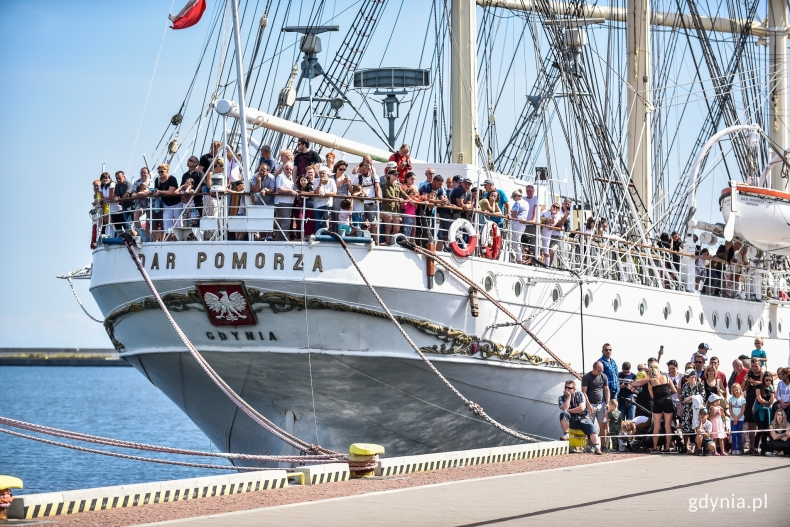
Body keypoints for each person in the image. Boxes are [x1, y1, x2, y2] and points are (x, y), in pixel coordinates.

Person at [558, 379, 603, 455]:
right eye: (565, 387)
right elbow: (564, 408)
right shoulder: (561, 398)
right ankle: (566, 434)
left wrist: (569, 410)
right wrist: (568, 397)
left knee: (592, 427)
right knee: (563, 414)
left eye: (569, 388)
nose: (567, 389)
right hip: (571, 420)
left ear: (574, 389)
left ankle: (597, 448)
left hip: (582, 418)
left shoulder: (580, 394)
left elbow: (581, 408)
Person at [647, 364, 677, 452]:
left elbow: (652, 396)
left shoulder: (651, 381)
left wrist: (659, 396)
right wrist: (667, 394)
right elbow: (674, 390)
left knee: (656, 426)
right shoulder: (666, 377)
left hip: (657, 401)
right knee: (668, 425)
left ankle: (655, 447)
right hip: (668, 400)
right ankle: (667, 447)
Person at [581, 361, 610, 449]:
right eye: (599, 370)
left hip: (601, 403)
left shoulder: (603, 376)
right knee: (590, 426)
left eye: (602, 370)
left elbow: (606, 389)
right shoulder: (586, 377)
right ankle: (592, 445)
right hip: (591, 404)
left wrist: (607, 402)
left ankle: (603, 445)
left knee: (603, 424)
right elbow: (584, 392)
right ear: (594, 369)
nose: (600, 372)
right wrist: (588, 404)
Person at [151, 164, 180, 241]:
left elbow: (171, 191)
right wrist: (156, 192)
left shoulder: (172, 179)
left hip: (177, 203)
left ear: (167, 171)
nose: (160, 173)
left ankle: (178, 239)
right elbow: (156, 190)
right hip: (166, 204)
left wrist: (160, 192)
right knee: (166, 223)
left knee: (178, 223)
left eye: (162, 171)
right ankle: (169, 240)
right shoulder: (157, 180)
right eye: (159, 172)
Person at [355, 162, 381, 241]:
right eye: (361, 170)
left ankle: (376, 240)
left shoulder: (374, 177)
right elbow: (353, 189)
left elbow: (377, 187)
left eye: (364, 170)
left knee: (374, 223)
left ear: (368, 169)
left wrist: (378, 195)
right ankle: (360, 239)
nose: (362, 172)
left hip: (371, 204)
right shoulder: (357, 178)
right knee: (361, 222)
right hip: (361, 203)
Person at [742, 359, 763, 452]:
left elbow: (762, 383)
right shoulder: (749, 374)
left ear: (760, 366)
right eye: (753, 366)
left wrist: (752, 381)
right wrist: (746, 379)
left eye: (756, 366)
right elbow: (742, 387)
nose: (754, 368)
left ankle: (759, 447)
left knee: (760, 425)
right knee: (751, 425)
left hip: (759, 402)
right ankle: (752, 447)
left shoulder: (763, 374)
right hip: (749, 401)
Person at [681, 369, 705, 452]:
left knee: (697, 427)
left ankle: (696, 447)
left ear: (694, 376)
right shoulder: (685, 386)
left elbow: (702, 397)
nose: (686, 378)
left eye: (687, 376)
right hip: (687, 410)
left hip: (697, 410)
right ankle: (685, 446)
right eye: (685, 377)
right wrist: (685, 400)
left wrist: (691, 397)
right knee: (686, 428)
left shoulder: (700, 386)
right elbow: (682, 398)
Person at [752, 371, 775, 455]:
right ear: (763, 379)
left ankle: (763, 448)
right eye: (767, 380)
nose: (768, 381)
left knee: (766, 430)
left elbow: (771, 401)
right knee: (760, 429)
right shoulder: (759, 387)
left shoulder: (771, 388)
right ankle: (755, 448)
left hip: (767, 410)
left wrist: (772, 391)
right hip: (759, 409)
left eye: (770, 380)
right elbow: (759, 399)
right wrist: (766, 402)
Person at [272, 162, 296, 241]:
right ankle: (283, 239)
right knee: (286, 222)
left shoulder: (291, 178)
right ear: (283, 169)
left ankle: (283, 238)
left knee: (286, 222)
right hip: (282, 202)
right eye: (287, 169)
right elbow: (279, 189)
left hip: (288, 202)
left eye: (290, 169)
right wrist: (290, 191)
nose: (289, 171)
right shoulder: (281, 176)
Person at [312, 166, 337, 232]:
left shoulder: (332, 181)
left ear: (327, 174)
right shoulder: (316, 180)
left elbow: (334, 193)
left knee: (325, 222)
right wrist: (320, 183)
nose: (321, 175)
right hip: (317, 205)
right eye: (320, 173)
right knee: (317, 222)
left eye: (323, 173)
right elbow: (316, 192)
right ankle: (317, 237)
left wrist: (325, 194)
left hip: (327, 204)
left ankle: (325, 237)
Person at [509, 188, 529, 263]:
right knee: (517, 241)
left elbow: (514, 214)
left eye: (513, 197)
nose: (513, 199)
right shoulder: (526, 203)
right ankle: (518, 259)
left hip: (517, 223)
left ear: (516, 196)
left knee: (514, 242)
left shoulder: (517, 203)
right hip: (522, 224)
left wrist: (509, 215)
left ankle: (515, 259)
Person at [729, 383, 746, 454]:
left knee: (739, 434)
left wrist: (737, 418)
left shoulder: (743, 399)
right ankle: (734, 449)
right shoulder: (731, 399)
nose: (736, 391)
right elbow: (730, 409)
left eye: (737, 389)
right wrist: (734, 418)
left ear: (740, 389)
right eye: (734, 390)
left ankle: (738, 449)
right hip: (733, 419)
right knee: (734, 434)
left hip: (740, 419)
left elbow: (743, 410)